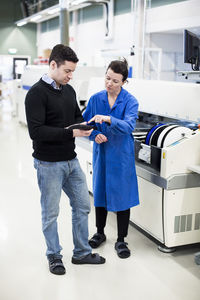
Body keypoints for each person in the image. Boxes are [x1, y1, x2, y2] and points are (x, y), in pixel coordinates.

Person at [25, 44, 105, 276]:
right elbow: (37, 132)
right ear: (53, 65)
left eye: (73, 72)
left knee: (82, 205)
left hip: (71, 161)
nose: (71, 76)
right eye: (67, 71)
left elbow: (76, 117)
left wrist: (87, 128)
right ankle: (54, 255)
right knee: (50, 213)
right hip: (48, 163)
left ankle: (80, 253)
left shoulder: (69, 91)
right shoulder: (36, 94)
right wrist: (70, 132)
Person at [83, 59, 139, 259]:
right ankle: (100, 232)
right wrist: (93, 135)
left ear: (124, 82)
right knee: (100, 194)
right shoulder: (96, 99)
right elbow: (84, 124)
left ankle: (121, 239)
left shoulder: (131, 102)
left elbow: (128, 126)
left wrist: (108, 119)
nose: (109, 83)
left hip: (121, 156)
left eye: (115, 81)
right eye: (107, 78)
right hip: (102, 154)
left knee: (122, 197)